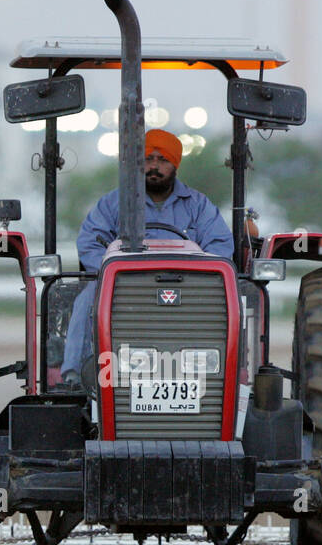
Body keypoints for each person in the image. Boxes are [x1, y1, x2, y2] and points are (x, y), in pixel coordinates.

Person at [60, 129, 234, 386]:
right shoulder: (113, 204)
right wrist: (113, 271)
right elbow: (89, 243)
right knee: (88, 297)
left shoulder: (199, 205)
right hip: (124, 286)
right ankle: (77, 377)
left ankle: (225, 377)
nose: (154, 166)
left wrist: (193, 273)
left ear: (175, 164)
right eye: (147, 160)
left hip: (187, 287)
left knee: (223, 303)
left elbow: (220, 247)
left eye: (162, 160)